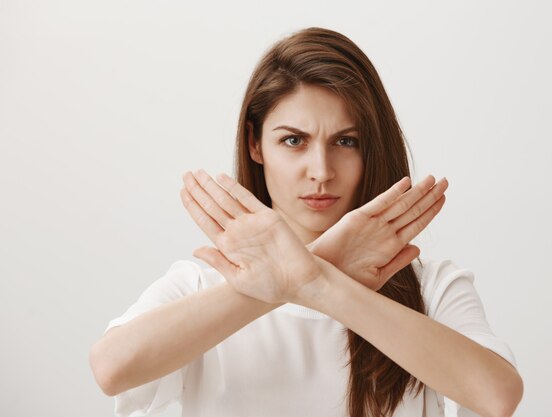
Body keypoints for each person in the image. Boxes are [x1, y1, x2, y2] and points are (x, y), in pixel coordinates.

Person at [89, 27, 523, 417]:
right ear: (255, 144)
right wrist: (300, 275)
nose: (321, 170)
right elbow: (111, 369)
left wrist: (317, 281)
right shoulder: (202, 287)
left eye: (345, 141)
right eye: (294, 140)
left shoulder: (433, 288)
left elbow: (498, 396)